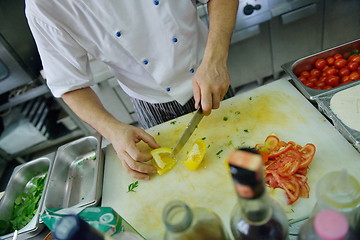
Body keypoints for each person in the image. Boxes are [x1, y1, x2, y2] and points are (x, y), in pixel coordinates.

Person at [25, 0, 239, 180]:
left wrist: (215, 61)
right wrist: (113, 131)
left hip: (209, 77)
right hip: (150, 102)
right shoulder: (43, 4)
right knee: (177, 179)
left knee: (241, 155)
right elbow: (69, 84)